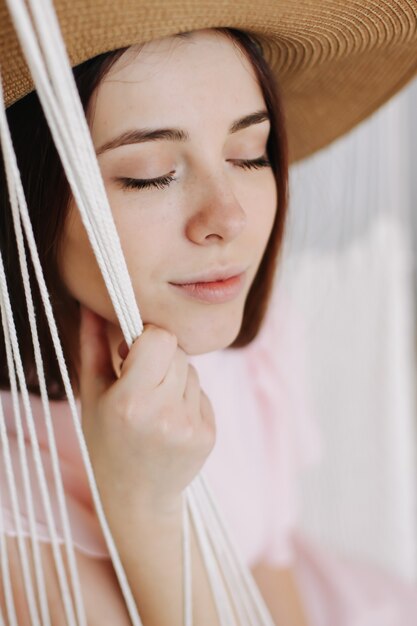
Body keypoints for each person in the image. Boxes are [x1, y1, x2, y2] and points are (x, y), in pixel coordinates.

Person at [0, 2, 416, 625]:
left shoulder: (248, 345)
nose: (230, 218)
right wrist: (144, 506)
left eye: (250, 153)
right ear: (22, 198)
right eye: (151, 174)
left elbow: (277, 583)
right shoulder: (15, 485)